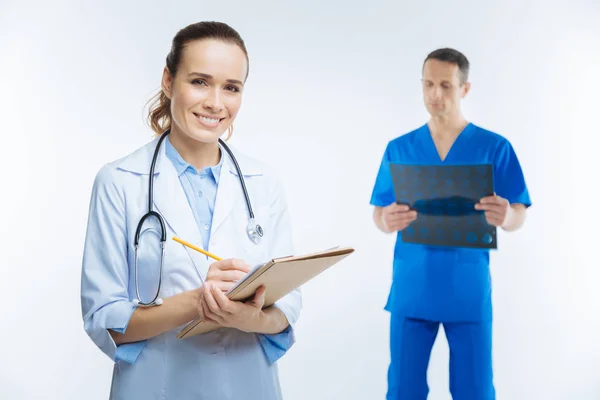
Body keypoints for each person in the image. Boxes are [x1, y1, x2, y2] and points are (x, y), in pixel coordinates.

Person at [80, 21, 301, 400]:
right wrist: (195, 302)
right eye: (200, 81)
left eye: (231, 87)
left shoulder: (263, 181)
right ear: (168, 81)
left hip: (247, 385)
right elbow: (105, 318)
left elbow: (288, 303)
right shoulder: (119, 181)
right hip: (158, 387)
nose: (216, 102)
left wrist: (251, 317)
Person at [370, 48, 531, 400]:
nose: (435, 94)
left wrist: (508, 216)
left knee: (475, 390)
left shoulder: (493, 147)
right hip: (413, 287)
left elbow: (519, 211)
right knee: (402, 390)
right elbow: (379, 214)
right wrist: (386, 219)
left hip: (467, 289)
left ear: (465, 89)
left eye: (445, 85)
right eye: (428, 84)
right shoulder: (400, 148)